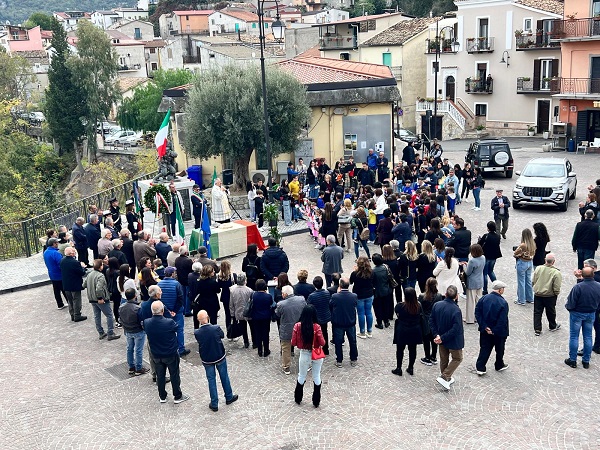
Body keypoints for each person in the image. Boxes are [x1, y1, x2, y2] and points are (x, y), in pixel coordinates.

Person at [143, 300, 189, 404]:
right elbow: (177, 328)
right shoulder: (169, 322)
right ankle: (177, 396)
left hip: (156, 354)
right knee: (174, 374)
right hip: (170, 353)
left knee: (160, 376)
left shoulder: (147, 323)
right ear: (163, 310)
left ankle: (162, 396)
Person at [194, 310, 238, 411]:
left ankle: (214, 403)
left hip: (207, 359)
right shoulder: (215, 328)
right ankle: (229, 396)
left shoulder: (197, 333)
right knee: (224, 376)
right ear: (208, 317)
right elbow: (222, 335)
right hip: (219, 356)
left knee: (211, 380)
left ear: (199, 320)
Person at [564, 267, 600, 369]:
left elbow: (571, 302)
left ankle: (572, 360)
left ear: (582, 275)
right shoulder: (598, 286)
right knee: (588, 336)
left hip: (577, 313)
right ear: (593, 275)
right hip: (591, 313)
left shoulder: (578, 287)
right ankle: (586, 361)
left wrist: (570, 309)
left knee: (574, 336)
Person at [429, 285, 464, 390]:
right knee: (457, 358)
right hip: (452, 340)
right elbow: (456, 329)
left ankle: (446, 378)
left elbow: (431, 320)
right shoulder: (456, 310)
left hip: (441, 338)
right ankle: (445, 376)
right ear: (456, 296)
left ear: (445, 294)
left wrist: (437, 335)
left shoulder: (437, 305)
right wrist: (442, 337)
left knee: (444, 359)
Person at [291, 304, 326, 407]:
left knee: (301, 376)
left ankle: (298, 398)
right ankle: (316, 401)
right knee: (316, 376)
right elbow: (323, 342)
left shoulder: (297, 326)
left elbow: (293, 342)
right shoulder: (317, 327)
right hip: (317, 353)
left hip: (304, 353)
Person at [474, 280, 510, 375]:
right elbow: (502, 320)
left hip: (485, 331)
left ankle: (480, 367)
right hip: (499, 332)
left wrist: (484, 326)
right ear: (500, 290)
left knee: (485, 348)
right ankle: (499, 364)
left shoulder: (484, 298)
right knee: (500, 349)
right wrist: (494, 330)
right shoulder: (503, 302)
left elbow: (478, 313)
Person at [158, 267, 190, 356]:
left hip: (165, 312)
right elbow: (180, 299)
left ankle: (169, 348)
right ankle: (181, 349)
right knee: (179, 330)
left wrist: (167, 310)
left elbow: (159, 299)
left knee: (167, 330)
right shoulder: (176, 284)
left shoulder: (159, 284)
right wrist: (174, 311)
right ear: (172, 274)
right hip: (177, 311)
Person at [86, 259, 120, 341]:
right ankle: (110, 333)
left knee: (97, 315)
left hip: (92, 299)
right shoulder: (100, 276)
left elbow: (84, 284)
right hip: (100, 299)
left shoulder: (89, 274)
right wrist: (100, 298)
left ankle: (101, 332)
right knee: (109, 315)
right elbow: (99, 289)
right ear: (100, 266)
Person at [275, 285, 307, 375]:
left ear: (285, 294)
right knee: (304, 347)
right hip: (300, 328)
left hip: (287, 330)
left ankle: (286, 367)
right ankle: (306, 365)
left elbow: (277, 314)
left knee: (286, 348)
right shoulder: (301, 300)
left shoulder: (281, 304)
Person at [391, 287, 422, 376]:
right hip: (414, 330)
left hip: (403, 330)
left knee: (400, 349)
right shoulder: (418, 306)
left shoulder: (400, 306)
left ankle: (398, 368)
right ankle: (411, 367)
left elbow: (397, 313)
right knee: (412, 349)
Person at [119, 288, 149, 376]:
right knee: (138, 350)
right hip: (137, 331)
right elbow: (142, 320)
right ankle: (138, 368)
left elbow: (121, 319)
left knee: (129, 349)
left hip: (128, 331)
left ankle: (131, 366)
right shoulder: (137, 308)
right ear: (135, 296)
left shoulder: (121, 307)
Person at [330, 277, 359, 367]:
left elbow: (330, 305)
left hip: (338, 323)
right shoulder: (354, 296)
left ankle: (339, 360)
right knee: (353, 341)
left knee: (338, 342)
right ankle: (353, 358)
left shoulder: (335, 296)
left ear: (340, 285)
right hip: (350, 322)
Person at [532, 253, 562, 336]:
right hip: (550, 296)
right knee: (551, 311)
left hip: (538, 294)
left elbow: (533, 280)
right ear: (553, 262)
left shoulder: (538, 268)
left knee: (537, 312)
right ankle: (552, 326)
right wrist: (556, 293)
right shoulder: (556, 272)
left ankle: (537, 329)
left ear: (545, 260)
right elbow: (556, 286)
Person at [419, 277, 443, 365]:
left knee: (426, 340)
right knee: (434, 338)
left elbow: (419, 308)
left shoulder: (422, 296)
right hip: (435, 320)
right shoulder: (439, 296)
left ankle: (427, 357)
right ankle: (433, 356)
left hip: (425, 320)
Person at [60, 247, 87, 322]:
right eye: (74, 251)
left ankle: (72, 314)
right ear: (72, 253)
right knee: (76, 300)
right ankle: (77, 315)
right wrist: (83, 267)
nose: (75, 252)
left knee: (70, 300)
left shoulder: (62, 261)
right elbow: (82, 272)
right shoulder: (75, 262)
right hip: (75, 284)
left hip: (66, 283)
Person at [349, 256, 374, 338]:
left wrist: (355, 271)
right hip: (369, 294)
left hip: (359, 295)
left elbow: (350, 282)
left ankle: (362, 332)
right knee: (369, 312)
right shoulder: (371, 272)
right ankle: (369, 331)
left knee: (361, 313)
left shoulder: (355, 273)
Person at [307, 276, 332, 355]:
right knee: (325, 332)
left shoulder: (312, 296)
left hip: (316, 317)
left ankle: (316, 348)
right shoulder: (327, 293)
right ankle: (325, 349)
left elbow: (308, 305)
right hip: (325, 315)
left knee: (315, 332)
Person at [229, 273, 254, 348]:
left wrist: (232, 314)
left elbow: (231, 303)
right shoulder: (249, 290)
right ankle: (254, 342)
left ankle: (246, 342)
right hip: (248, 312)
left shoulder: (232, 290)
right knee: (252, 328)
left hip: (239, 312)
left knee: (243, 328)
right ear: (245, 281)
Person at [250, 279, 273, 357]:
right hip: (266, 317)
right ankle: (266, 350)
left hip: (256, 317)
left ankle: (259, 350)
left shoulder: (253, 295)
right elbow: (271, 304)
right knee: (266, 333)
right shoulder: (268, 296)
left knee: (258, 333)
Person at [513, 228, 536, 305]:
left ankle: (521, 300)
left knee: (521, 282)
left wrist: (519, 254)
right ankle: (530, 298)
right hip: (530, 263)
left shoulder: (523, 245)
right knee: (528, 281)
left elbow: (515, 253)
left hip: (522, 263)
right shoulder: (533, 243)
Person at [478, 221, 502, 295]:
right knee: (491, 271)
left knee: (484, 273)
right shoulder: (498, 236)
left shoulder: (486, 236)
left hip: (486, 256)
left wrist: (479, 239)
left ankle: (485, 290)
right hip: (494, 256)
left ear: (488, 228)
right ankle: (497, 286)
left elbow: (479, 244)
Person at [43, 238, 68, 310]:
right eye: (57, 243)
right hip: (59, 274)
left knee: (56, 290)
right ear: (54, 244)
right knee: (64, 289)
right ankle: (70, 302)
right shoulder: (56, 253)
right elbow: (61, 264)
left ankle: (60, 304)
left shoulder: (46, 252)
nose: (58, 244)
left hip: (52, 274)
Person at [464, 244, 485, 324]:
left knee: (470, 301)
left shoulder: (472, 260)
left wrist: (465, 266)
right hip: (480, 280)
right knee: (478, 300)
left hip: (472, 282)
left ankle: (469, 319)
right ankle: (478, 317)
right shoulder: (483, 257)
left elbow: (468, 272)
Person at [372, 253, 394, 330]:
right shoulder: (386, 267)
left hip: (377, 292)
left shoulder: (373, 271)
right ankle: (386, 321)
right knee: (386, 306)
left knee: (378, 308)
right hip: (386, 290)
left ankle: (379, 323)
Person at [175, 247, 194, 316]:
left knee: (183, 295)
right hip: (187, 280)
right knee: (188, 296)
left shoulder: (177, 259)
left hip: (180, 280)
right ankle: (187, 310)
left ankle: (183, 309)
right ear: (186, 253)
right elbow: (192, 269)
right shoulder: (188, 261)